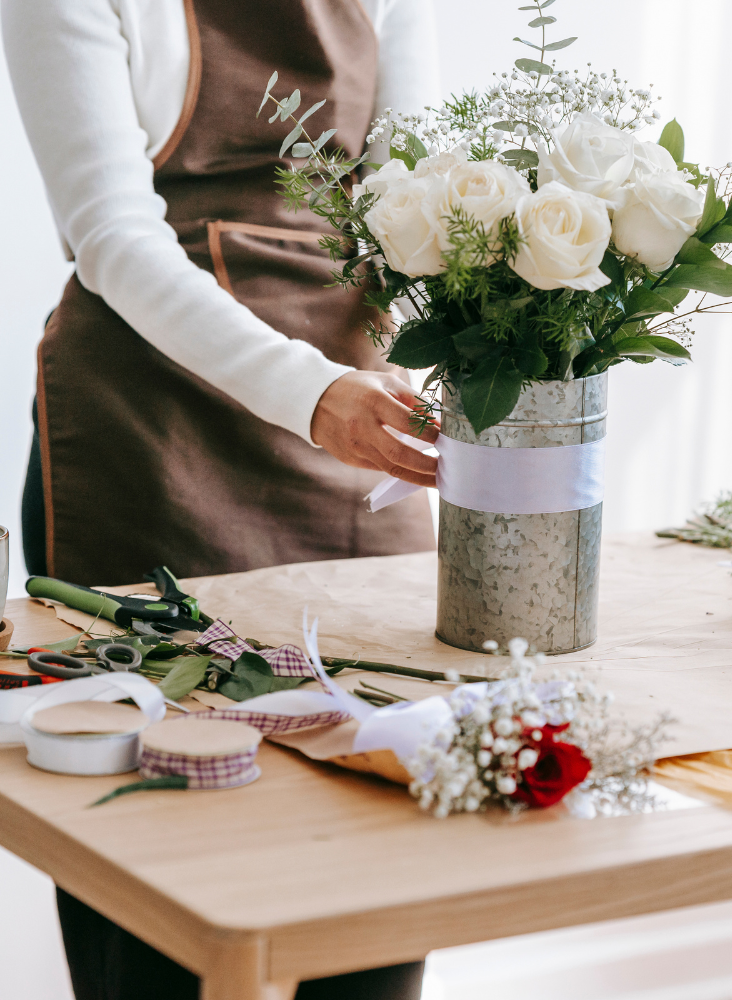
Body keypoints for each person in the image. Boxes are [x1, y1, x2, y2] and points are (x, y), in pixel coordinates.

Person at [3, 0, 439, 996]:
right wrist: (310, 393)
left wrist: (458, 360)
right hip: (146, 438)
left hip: (356, 423)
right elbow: (112, 234)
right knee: (159, 886)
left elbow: (422, 200)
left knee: (378, 858)